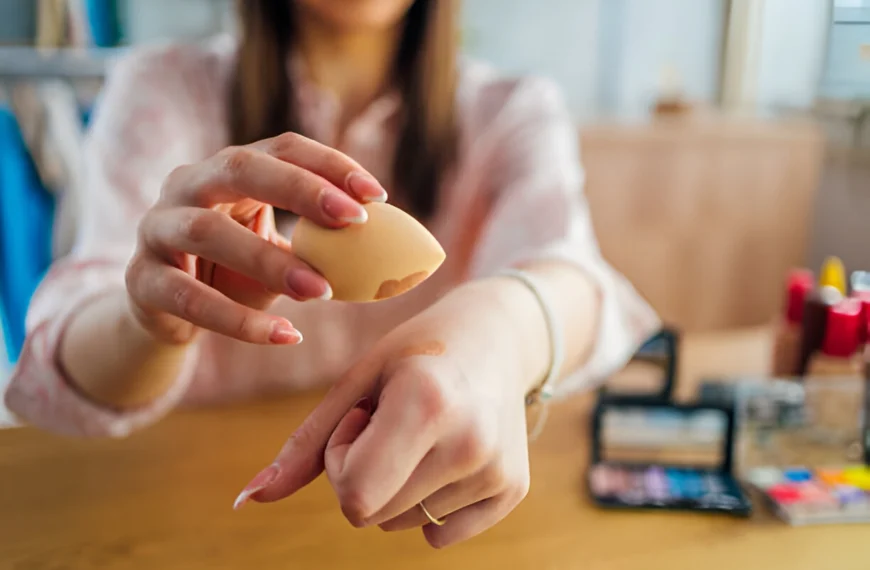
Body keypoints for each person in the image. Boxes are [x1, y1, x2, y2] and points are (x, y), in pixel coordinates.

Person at [4, 0, 658, 548]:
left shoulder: (511, 110)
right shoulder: (161, 88)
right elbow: (65, 364)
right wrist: (150, 319)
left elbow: (574, 278)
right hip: (188, 527)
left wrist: (502, 331)